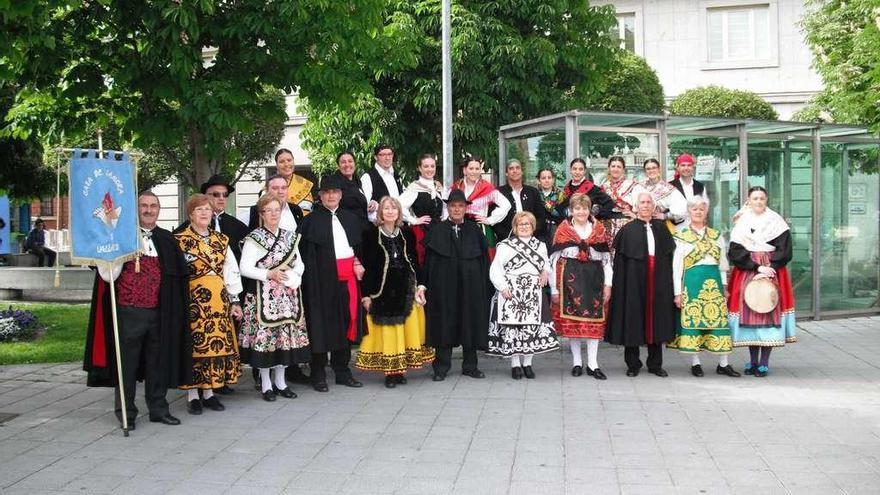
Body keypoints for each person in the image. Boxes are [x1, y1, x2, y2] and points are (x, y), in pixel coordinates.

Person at [84, 191, 190, 430]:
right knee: (127, 365)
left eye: (153, 206)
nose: (149, 210)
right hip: (128, 311)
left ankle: (158, 409)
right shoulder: (121, 237)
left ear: (159, 210)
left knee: (157, 363)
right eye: (144, 205)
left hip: (158, 313)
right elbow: (107, 274)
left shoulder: (166, 239)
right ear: (136, 209)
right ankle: (126, 412)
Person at [298, 175, 368, 392]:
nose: (331, 196)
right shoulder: (309, 222)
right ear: (320, 196)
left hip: (348, 281)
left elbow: (359, 249)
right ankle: (318, 372)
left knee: (346, 322)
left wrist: (358, 263)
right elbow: (306, 257)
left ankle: (342, 371)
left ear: (340, 194)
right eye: (326, 192)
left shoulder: (350, 218)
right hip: (321, 280)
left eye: (334, 192)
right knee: (321, 325)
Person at [175, 194, 243, 414]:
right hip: (193, 302)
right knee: (195, 348)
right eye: (199, 210)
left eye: (207, 209)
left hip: (218, 302)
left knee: (215, 348)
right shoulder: (180, 240)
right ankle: (193, 394)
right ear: (190, 214)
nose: (204, 213)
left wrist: (234, 300)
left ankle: (210, 392)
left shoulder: (221, 240)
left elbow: (230, 270)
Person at [238, 195, 311, 401]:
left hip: (287, 297)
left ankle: (281, 382)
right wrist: (269, 274)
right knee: (266, 342)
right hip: (263, 298)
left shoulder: (289, 236)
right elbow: (244, 268)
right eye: (268, 210)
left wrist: (294, 276)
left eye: (276, 210)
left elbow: (300, 263)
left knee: (283, 340)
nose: (273, 214)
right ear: (261, 214)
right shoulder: (254, 238)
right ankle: (266, 384)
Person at [356, 197, 434, 387]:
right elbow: (367, 266)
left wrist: (421, 284)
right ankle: (390, 373)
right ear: (380, 213)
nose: (390, 212)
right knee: (390, 332)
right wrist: (366, 295)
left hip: (406, 287)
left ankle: (400, 370)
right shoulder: (370, 234)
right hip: (382, 291)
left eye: (394, 208)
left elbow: (414, 260)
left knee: (405, 331)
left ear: (399, 212)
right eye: (386, 209)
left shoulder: (406, 233)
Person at [667, 196, 740, 377]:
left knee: (719, 323)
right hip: (691, 285)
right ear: (689, 212)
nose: (698, 212)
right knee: (694, 323)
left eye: (701, 209)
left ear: (706, 212)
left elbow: (722, 264)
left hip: (714, 284)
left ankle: (723, 364)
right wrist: (678, 293)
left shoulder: (716, 236)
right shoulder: (681, 236)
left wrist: (724, 286)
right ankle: (696, 363)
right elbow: (676, 268)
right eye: (694, 209)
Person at [606, 192, 676, 377]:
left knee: (657, 319)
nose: (645, 205)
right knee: (633, 318)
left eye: (648, 202)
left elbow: (669, 258)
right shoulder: (627, 230)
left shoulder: (662, 228)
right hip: (633, 281)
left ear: (653, 207)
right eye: (642, 202)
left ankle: (655, 364)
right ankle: (633, 364)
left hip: (658, 280)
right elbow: (619, 264)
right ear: (636, 206)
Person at [728, 186, 796, 377]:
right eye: (755, 198)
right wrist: (755, 267)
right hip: (748, 270)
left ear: (766, 200)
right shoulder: (742, 222)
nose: (758, 201)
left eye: (762, 198)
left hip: (772, 270)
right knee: (749, 315)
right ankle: (752, 361)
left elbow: (785, 249)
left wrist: (770, 268)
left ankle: (764, 362)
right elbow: (735, 250)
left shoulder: (776, 221)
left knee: (768, 312)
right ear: (748, 200)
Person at [424, 189, 491, 381]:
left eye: (460, 206)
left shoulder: (474, 230)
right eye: (453, 205)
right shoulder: (437, 230)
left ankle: (470, 366)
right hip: (444, 289)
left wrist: (484, 286)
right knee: (444, 323)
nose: (457, 209)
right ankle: (441, 367)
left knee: (470, 322)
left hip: (471, 288)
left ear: (465, 208)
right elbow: (429, 263)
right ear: (448, 207)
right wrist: (427, 286)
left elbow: (483, 261)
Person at [487, 211, 559, 379]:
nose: (524, 227)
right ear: (515, 227)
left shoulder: (540, 245)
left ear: (533, 227)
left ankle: (528, 363)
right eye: (521, 224)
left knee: (531, 328)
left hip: (532, 291)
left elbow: (546, 263)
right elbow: (496, 268)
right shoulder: (505, 245)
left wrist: (545, 272)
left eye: (527, 224)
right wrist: (502, 287)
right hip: (511, 290)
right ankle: (515, 365)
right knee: (513, 328)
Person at [549, 194, 612, 380]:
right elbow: (553, 260)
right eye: (577, 208)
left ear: (589, 210)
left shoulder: (599, 229)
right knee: (573, 323)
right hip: (569, 279)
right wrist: (554, 288)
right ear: (571, 210)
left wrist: (608, 284)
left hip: (595, 280)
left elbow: (607, 259)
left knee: (595, 322)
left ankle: (593, 364)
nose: (581, 212)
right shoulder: (563, 229)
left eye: (584, 208)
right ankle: (577, 362)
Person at [450, 156, 511, 259]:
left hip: (479, 228)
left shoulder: (486, 188)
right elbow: (447, 207)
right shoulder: (456, 187)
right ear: (465, 170)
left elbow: (506, 205)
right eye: (471, 168)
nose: (474, 171)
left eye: (477, 169)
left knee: (481, 259)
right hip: (458, 227)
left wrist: (489, 220)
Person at [399, 153, 446, 265]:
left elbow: (446, 206)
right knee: (424, 260)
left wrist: (445, 219)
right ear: (419, 168)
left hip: (439, 229)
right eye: (426, 166)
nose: (429, 169)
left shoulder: (438, 186)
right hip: (422, 231)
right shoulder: (415, 188)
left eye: (432, 166)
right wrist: (414, 220)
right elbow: (398, 205)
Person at [600, 155, 647, 252]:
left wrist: (635, 215)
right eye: (613, 166)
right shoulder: (604, 186)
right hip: (607, 226)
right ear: (609, 168)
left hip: (626, 225)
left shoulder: (632, 185)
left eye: (619, 167)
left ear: (623, 169)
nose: (615, 169)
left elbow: (645, 202)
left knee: (625, 254)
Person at [494, 159, 546, 241]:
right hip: (507, 240)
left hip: (532, 238)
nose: (515, 171)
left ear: (522, 172)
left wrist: (530, 232)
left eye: (517, 168)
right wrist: (509, 237)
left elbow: (541, 216)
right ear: (506, 173)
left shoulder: (533, 192)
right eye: (511, 168)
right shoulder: (498, 193)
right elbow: (494, 220)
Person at [239, 174, 304, 232]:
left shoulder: (296, 210)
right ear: (267, 190)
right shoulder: (252, 212)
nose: (280, 191)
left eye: (284, 188)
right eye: (275, 188)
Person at [641, 158, 687, 232]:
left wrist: (665, 216)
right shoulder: (640, 187)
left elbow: (682, 210)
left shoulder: (667, 188)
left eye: (654, 168)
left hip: (657, 226)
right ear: (645, 171)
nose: (651, 171)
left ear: (659, 169)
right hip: (641, 225)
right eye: (648, 169)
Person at [321, 150, 370, 221]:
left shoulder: (357, 181)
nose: (347, 165)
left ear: (355, 164)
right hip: (345, 225)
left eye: (350, 161)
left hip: (363, 225)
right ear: (338, 165)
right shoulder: (332, 182)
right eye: (343, 162)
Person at [360, 144, 403, 223]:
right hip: (378, 228)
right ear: (376, 157)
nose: (387, 158)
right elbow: (365, 207)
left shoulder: (397, 176)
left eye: (390, 154)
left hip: (399, 226)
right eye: (383, 155)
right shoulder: (367, 177)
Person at [275, 148, 316, 216]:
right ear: (277, 165)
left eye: (289, 160)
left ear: (293, 161)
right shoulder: (270, 187)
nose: (286, 164)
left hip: (304, 224)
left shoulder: (305, 184)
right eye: (282, 161)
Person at [536, 168, 563, 244]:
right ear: (538, 180)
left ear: (553, 179)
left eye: (549, 178)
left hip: (557, 229)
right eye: (543, 178)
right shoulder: (535, 194)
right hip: (538, 231)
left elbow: (559, 214)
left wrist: (545, 203)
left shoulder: (561, 195)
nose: (547, 180)